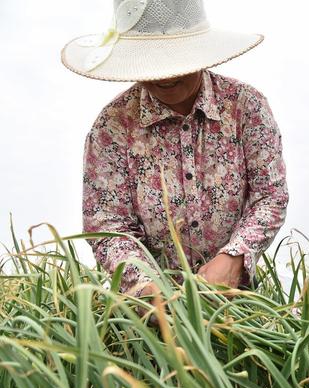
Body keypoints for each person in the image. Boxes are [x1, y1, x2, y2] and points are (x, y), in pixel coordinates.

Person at [61, 0, 289, 310]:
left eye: (174, 60)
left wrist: (235, 256)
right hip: (150, 317)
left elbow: (269, 195)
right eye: (149, 63)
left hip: (239, 307)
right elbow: (108, 223)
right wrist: (144, 285)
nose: (164, 76)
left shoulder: (245, 107)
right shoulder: (112, 127)